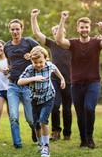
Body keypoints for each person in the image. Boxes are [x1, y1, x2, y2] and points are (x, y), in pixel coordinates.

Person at [55, 11, 102, 149]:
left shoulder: (96, 43)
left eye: (86, 27)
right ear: (78, 29)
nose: (84, 29)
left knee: (89, 108)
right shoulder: (73, 44)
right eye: (82, 27)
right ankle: (83, 139)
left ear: (90, 28)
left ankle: (90, 137)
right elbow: (59, 40)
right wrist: (62, 19)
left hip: (93, 83)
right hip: (76, 84)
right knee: (80, 114)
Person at [31, 9, 72, 141]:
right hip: (54, 79)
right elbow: (37, 33)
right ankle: (56, 131)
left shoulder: (71, 45)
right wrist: (33, 18)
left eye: (58, 32)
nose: (56, 34)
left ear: (64, 33)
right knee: (54, 105)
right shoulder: (52, 44)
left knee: (67, 108)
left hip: (70, 81)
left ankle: (67, 133)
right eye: (54, 33)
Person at [18, 46, 65, 157]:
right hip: (35, 100)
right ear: (31, 61)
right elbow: (20, 81)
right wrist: (34, 78)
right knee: (36, 125)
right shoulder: (30, 69)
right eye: (35, 62)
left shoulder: (49, 65)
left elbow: (55, 68)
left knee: (43, 121)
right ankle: (40, 144)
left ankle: (46, 147)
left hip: (48, 98)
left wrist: (62, 79)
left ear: (46, 59)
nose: (38, 65)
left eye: (41, 62)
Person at [3, 18, 39, 149]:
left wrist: (32, 57)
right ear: (9, 30)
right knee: (13, 116)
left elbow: (44, 56)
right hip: (12, 85)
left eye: (17, 29)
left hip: (28, 86)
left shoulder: (29, 42)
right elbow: (9, 62)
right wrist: (8, 69)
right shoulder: (6, 46)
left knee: (30, 118)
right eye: (12, 29)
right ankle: (17, 144)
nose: (15, 31)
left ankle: (34, 129)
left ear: (22, 29)